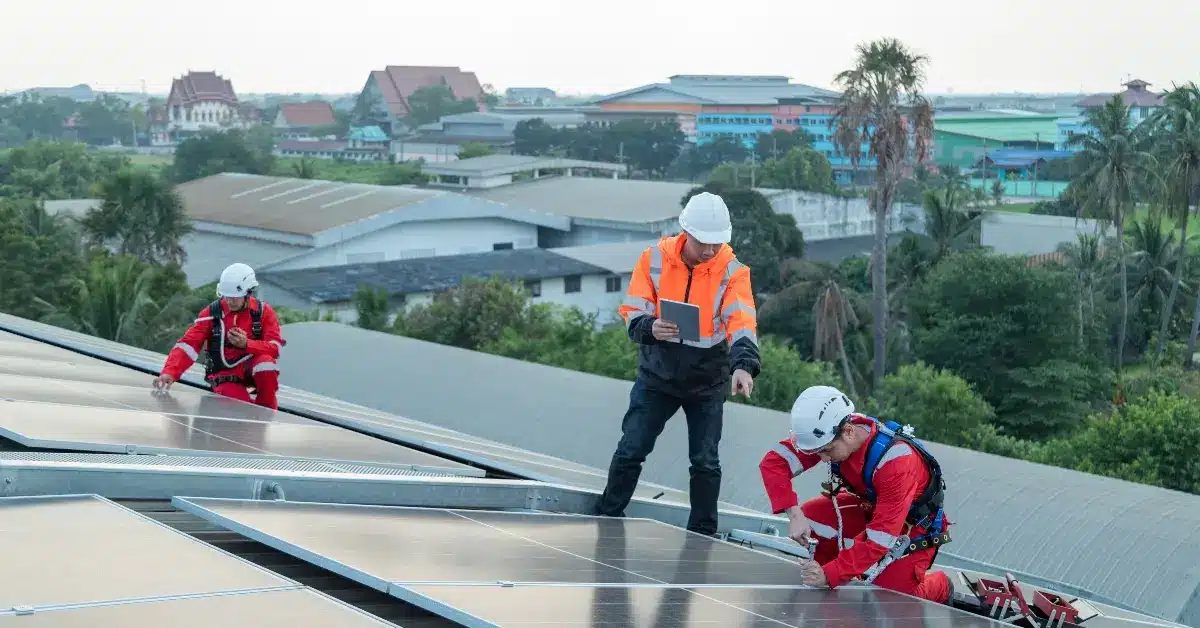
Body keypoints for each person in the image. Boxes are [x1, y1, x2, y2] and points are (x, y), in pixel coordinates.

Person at [595, 191, 761, 536]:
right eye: (703, 243)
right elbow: (633, 312)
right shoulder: (653, 259)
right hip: (658, 375)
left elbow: (742, 322)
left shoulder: (733, 272)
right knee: (632, 448)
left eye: (717, 243)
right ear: (686, 233)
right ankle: (606, 517)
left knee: (705, 462)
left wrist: (744, 366)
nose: (710, 250)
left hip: (707, 381)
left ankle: (703, 536)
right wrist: (650, 328)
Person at [758, 385, 953, 604]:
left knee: (890, 599)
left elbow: (879, 539)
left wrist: (831, 575)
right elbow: (774, 463)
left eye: (827, 451)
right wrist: (794, 514)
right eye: (817, 452)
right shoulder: (831, 433)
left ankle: (941, 587)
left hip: (914, 527)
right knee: (811, 517)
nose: (823, 459)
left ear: (849, 432)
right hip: (873, 509)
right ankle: (828, 577)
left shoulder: (897, 463)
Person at [153, 262, 285, 410]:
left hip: (252, 370)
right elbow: (188, 345)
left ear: (248, 292)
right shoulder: (211, 314)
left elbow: (274, 349)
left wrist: (247, 344)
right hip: (224, 375)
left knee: (266, 364)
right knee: (240, 410)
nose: (230, 301)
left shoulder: (264, 312)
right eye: (227, 296)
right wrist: (169, 372)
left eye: (235, 297)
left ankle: (267, 413)